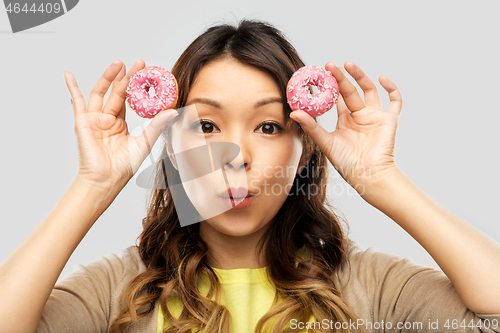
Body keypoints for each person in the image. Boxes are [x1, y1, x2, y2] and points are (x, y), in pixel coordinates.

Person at [0, 19, 499, 333]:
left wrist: (383, 179)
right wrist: (93, 186)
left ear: (303, 150)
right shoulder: (122, 290)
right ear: (171, 148)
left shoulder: (368, 287)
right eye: (208, 125)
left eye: (267, 125)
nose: (234, 156)